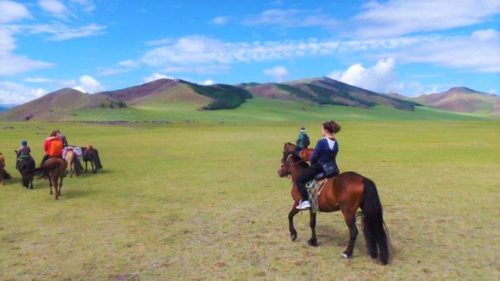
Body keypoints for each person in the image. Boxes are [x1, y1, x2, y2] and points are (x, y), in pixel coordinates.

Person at [295, 121, 341, 210]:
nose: (321, 131)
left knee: (299, 180)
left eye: (322, 129)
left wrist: (312, 164)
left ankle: (305, 201)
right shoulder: (336, 142)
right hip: (333, 168)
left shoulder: (321, 142)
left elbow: (314, 157)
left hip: (320, 167)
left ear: (326, 130)